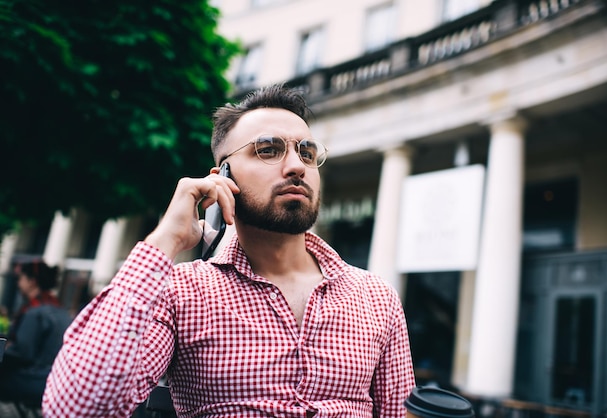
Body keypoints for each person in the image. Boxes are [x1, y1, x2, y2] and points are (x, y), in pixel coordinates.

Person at [43, 84, 416, 417]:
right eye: (268, 150)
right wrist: (164, 241)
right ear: (222, 177)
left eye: (306, 152)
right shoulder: (181, 291)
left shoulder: (376, 296)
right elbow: (77, 407)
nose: (295, 167)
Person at [0, 260, 72, 405]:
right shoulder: (61, 311)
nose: (18, 283)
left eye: (21, 278)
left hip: (33, 380)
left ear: (32, 281)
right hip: (55, 381)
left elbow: (22, 354)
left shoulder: (35, 313)